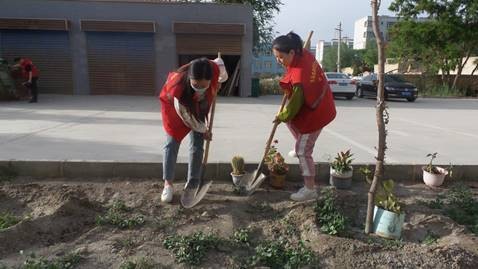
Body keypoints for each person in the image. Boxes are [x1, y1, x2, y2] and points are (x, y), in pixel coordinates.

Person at [272, 32, 337, 202]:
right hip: (321, 102)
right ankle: (300, 144)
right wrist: (286, 117)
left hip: (316, 113)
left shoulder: (300, 76)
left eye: (280, 57)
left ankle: (309, 189)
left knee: (303, 151)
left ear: (292, 53)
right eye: (276, 57)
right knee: (291, 123)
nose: (278, 60)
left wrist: (281, 116)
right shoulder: (303, 53)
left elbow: (294, 106)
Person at [158, 57, 227, 203]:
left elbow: (221, 68)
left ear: (210, 78)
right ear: (190, 78)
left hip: (199, 106)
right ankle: (168, 184)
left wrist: (219, 81)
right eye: (196, 85)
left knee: (197, 144)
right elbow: (188, 118)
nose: (200, 88)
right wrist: (204, 130)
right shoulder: (176, 86)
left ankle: (193, 182)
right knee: (171, 144)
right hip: (175, 110)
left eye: (205, 85)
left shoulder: (214, 68)